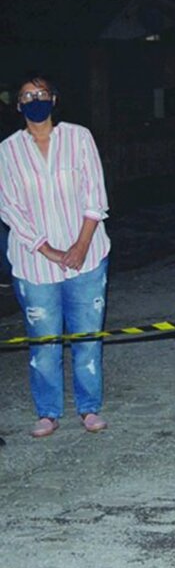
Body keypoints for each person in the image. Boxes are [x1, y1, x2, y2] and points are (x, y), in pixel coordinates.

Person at [0, 74, 111, 438]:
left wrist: (80, 246)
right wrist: (49, 250)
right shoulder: (8, 151)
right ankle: (47, 411)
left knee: (86, 337)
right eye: (27, 96)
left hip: (88, 256)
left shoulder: (79, 138)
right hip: (35, 263)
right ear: (18, 106)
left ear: (54, 99)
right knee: (44, 342)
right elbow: (10, 208)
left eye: (41, 93)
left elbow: (96, 194)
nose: (35, 99)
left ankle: (89, 408)